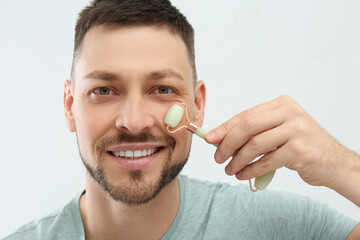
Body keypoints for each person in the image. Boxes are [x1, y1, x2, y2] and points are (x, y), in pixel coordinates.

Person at [3, 0, 359, 239]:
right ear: (69, 107)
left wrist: (341, 167)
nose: (135, 121)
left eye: (161, 89)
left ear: (197, 103)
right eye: (104, 91)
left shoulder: (274, 225)